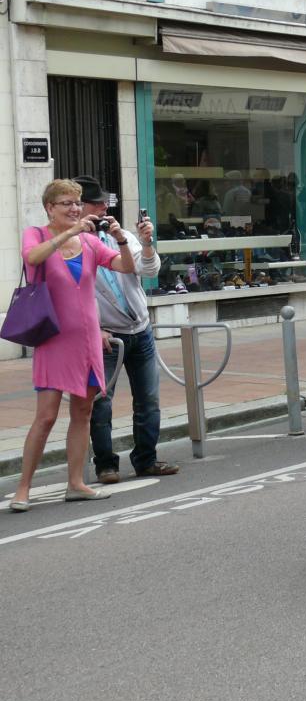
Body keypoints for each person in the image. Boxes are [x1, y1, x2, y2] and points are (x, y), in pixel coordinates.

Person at [10, 179, 138, 512]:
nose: (74, 208)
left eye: (77, 203)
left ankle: (76, 483)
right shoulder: (37, 235)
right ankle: (22, 489)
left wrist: (122, 239)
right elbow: (32, 258)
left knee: (82, 413)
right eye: (67, 203)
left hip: (87, 340)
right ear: (49, 207)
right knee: (46, 417)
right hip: (53, 340)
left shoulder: (91, 243)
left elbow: (126, 266)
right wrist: (68, 233)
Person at [74, 176, 178, 485]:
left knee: (148, 399)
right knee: (101, 403)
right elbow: (72, 293)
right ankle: (106, 464)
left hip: (140, 330)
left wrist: (143, 242)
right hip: (105, 336)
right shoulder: (71, 243)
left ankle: (146, 459)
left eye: (102, 203)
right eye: (94, 204)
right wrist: (95, 329)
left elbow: (148, 270)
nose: (102, 208)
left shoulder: (121, 237)